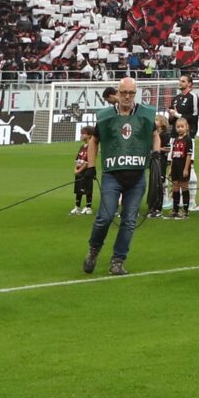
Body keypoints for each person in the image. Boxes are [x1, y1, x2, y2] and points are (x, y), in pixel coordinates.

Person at [84, 77, 159, 276]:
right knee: (105, 217)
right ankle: (94, 249)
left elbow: (155, 134)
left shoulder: (145, 114)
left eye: (131, 93)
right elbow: (94, 141)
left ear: (136, 94)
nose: (127, 97)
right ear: (118, 93)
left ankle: (118, 260)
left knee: (129, 221)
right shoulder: (106, 117)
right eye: (124, 92)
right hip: (112, 175)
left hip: (137, 177)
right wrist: (91, 166)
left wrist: (157, 154)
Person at [71, 123, 96, 216]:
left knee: (87, 188)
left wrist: (80, 170)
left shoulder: (91, 147)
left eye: (83, 133)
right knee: (78, 189)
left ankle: (88, 207)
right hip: (79, 171)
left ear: (89, 135)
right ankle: (77, 206)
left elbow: (88, 161)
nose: (81, 135)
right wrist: (76, 169)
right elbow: (77, 159)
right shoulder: (82, 147)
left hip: (86, 171)